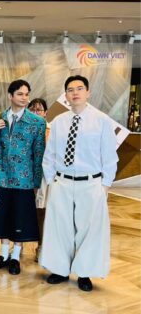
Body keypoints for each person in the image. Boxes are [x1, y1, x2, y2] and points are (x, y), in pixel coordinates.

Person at [41, 75, 118, 292]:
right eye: (70, 89)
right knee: (59, 227)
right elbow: (50, 154)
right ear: (65, 95)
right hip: (62, 182)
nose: (75, 93)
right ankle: (59, 269)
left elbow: (109, 156)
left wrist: (105, 186)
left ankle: (85, 272)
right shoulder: (59, 122)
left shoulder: (102, 120)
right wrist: (51, 181)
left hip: (91, 183)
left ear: (88, 92)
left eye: (80, 88)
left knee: (89, 229)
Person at [0, 80, 46, 275]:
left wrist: (36, 182)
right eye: (20, 94)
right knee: (2, 216)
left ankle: (15, 257)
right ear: (10, 96)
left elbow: (39, 154)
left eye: (27, 94)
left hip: (24, 179)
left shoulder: (37, 122)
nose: (24, 98)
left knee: (20, 218)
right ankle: (3, 255)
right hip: (1, 177)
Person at [28, 98, 49, 262]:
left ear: (45, 113)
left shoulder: (50, 130)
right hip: (24, 175)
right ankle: (17, 245)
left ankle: (42, 246)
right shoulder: (23, 127)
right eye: (32, 109)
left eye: (39, 110)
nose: (35, 113)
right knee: (22, 210)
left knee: (41, 211)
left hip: (44, 177)